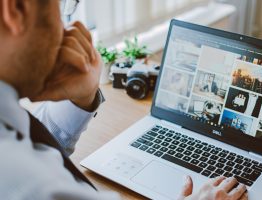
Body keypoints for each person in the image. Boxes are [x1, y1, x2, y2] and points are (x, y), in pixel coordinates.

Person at [0, 0, 247, 199]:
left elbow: (38, 147)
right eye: (62, 5)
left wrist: (81, 98)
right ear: (17, 8)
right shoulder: (27, 183)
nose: (67, 27)